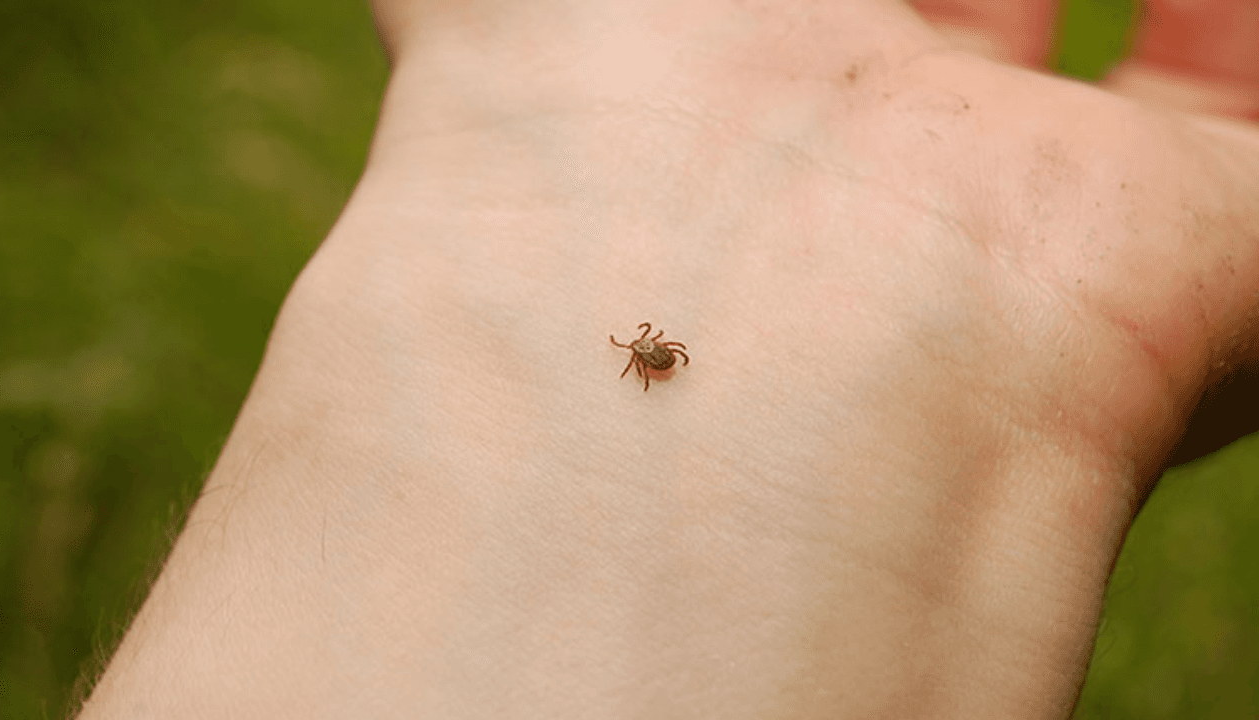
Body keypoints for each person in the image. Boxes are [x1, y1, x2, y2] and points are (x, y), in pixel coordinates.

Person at [76, 0, 1259, 717]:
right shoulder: (653, 346)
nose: (645, 350)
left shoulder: (644, 348)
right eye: (645, 349)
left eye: (645, 347)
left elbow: (646, 352)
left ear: (646, 347)